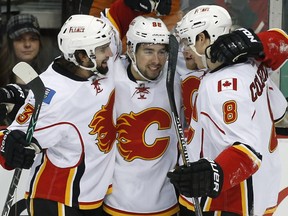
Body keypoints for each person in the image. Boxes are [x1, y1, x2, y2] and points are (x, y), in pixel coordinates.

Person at [167, 5, 287, 215]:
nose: (185, 49)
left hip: (227, 199)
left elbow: (247, 152)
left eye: (188, 40)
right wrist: (253, 43)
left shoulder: (221, 86)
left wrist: (213, 176)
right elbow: (279, 112)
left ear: (203, 38)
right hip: (262, 186)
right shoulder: (251, 61)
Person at [0, 14, 117, 215]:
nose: (110, 52)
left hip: (91, 196)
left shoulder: (97, 65)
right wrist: (11, 148)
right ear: (82, 56)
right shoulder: (55, 99)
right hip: (58, 201)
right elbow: (12, 139)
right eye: (102, 49)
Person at [103, 16, 181, 215]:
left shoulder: (176, 77)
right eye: (148, 51)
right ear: (130, 49)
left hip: (166, 203)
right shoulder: (109, 75)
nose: (156, 60)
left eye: (162, 52)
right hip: (118, 204)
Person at [0, 14, 42, 125]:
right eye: (20, 39)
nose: (27, 45)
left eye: (33, 39)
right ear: (10, 43)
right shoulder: (1, 75)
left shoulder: (49, 75)